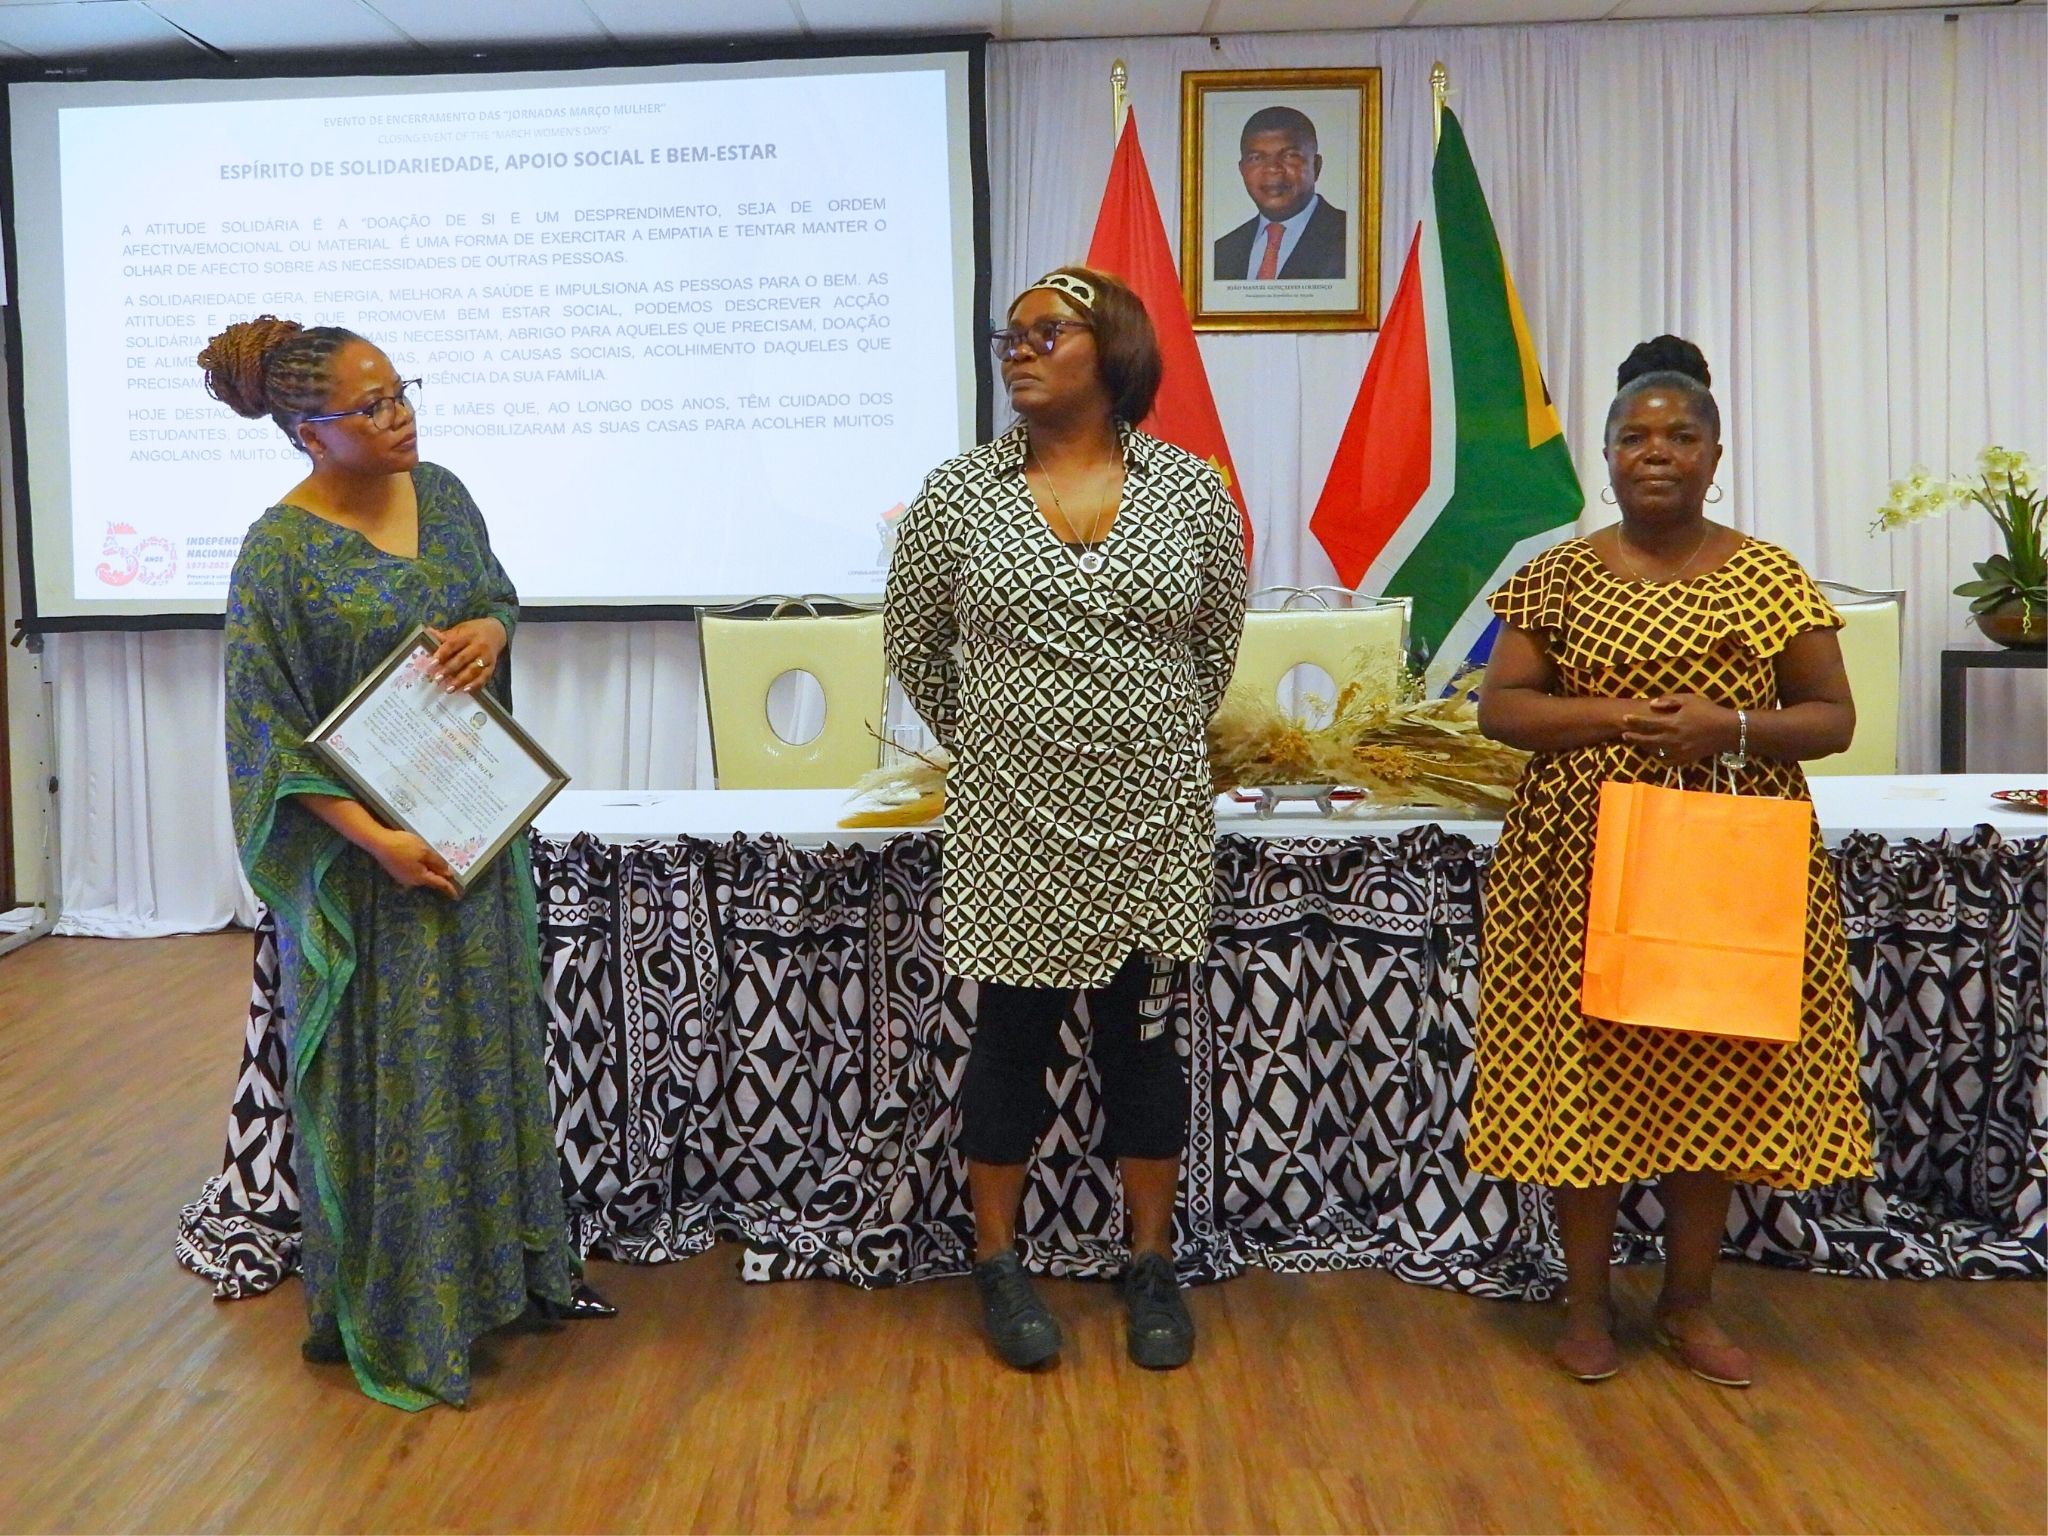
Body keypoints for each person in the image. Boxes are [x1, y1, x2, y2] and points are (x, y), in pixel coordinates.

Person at [201, 316, 610, 1411]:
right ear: (307, 432)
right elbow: (264, 736)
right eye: (371, 405)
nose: (400, 417)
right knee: (396, 1081)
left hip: (472, 840)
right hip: (370, 873)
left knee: (484, 1054)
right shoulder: (277, 553)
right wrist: (378, 841)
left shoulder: (445, 495)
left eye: (402, 392)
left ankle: (500, 1281)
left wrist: (492, 634)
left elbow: (493, 597)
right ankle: (402, 1313)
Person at [1472, 335, 1873, 1389]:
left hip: (1725, 858)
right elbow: (1501, 710)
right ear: (1606, 457)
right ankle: (1586, 1306)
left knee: (1714, 1074)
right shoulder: (1556, 576)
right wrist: (1618, 716)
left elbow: (1830, 718)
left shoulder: (1767, 575)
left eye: (1681, 437)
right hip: (1579, 858)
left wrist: (1723, 727)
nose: (1656, 453)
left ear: (1714, 456)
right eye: (1635, 437)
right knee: (1589, 1080)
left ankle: (1688, 1307)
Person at [885, 267, 1247, 1371]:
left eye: (1048, 333)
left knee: (1144, 1046)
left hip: (1152, 817)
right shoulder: (958, 494)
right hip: (1013, 819)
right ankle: (998, 1262)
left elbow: (1213, 649)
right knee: (1011, 1041)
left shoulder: (1191, 493)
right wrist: (1013, 739)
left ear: (1114, 352)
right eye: (1013, 335)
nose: (1019, 350)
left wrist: (1134, 735)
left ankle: (1150, 1262)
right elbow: (915, 645)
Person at [1211, 105, 1348, 282]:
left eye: (1289, 156)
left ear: (1316, 166)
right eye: (1256, 158)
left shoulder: (1351, 238)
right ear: (1242, 169)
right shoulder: (1221, 252)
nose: (1272, 168)